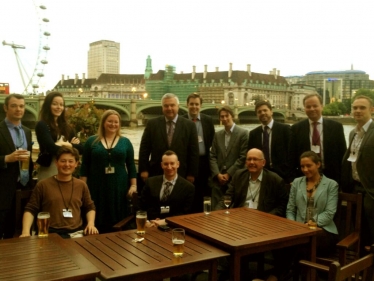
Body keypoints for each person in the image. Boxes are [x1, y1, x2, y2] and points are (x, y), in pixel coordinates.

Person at [20, 146, 98, 238]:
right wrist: (25, 232)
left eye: (70, 161)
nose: (67, 164)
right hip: (48, 233)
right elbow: (30, 209)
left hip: (75, 234)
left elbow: (89, 207)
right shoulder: (43, 185)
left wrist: (91, 224)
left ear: (76, 164)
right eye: (63, 161)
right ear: (56, 163)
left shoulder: (81, 185)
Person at [80, 110, 137, 233]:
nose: (113, 124)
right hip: (97, 185)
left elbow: (131, 166)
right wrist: (82, 187)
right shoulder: (91, 141)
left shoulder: (125, 142)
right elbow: (85, 166)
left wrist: (133, 185)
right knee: (98, 212)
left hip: (119, 186)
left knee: (118, 215)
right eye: (110, 121)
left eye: (116, 122)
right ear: (103, 123)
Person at [138, 93, 199, 183]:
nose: (169, 108)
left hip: (182, 173)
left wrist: (191, 174)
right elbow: (144, 149)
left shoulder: (189, 125)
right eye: (166, 106)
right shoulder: (152, 124)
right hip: (156, 172)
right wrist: (143, 170)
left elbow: (194, 152)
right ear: (162, 108)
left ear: (178, 107)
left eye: (172, 105)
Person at [289, 93, 346, 183]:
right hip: (305, 176)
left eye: (315, 106)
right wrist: (292, 178)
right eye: (308, 106)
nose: (312, 109)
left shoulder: (336, 127)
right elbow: (291, 156)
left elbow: (342, 154)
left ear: (321, 106)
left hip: (332, 177)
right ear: (304, 109)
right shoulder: (296, 128)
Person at [341, 95, 374, 249]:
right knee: (359, 231)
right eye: (355, 108)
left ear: (372, 110)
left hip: (370, 191)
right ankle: (360, 268)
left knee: (370, 234)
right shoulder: (353, 133)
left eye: (362, 108)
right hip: (355, 189)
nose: (358, 111)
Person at [216, 148, 288, 216]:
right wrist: (216, 213)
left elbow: (282, 206)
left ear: (263, 162)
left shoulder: (275, 180)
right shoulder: (239, 176)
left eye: (255, 159)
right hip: (240, 217)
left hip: (263, 219)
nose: (251, 162)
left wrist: (267, 217)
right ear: (246, 162)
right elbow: (227, 197)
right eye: (249, 159)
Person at [0, 94, 33, 239]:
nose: (18, 109)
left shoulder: (26, 131)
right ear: (5, 108)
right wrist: (7, 158)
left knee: (17, 233)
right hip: (2, 191)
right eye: (13, 106)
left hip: (23, 188)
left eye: (21, 106)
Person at [35, 91, 83, 181]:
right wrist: (69, 146)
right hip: (49, 168)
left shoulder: (67, 127)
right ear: (48, 106)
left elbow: (81, 148)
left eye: (61, 105)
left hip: (66, 169)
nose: (58, 107)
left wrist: (68, 145)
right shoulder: (42, 125)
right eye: (55, 104)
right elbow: (51, 148)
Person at [140, 150, 195, 227]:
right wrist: (146, 222)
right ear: (162, 165)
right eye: (166, 164)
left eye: (172, 163)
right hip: (150, 226)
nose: (169, 167)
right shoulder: (150, 182)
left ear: (178, 164)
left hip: (174, 227)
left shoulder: (188, 187)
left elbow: (185, 213)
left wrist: (165, 221)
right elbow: (142, 206)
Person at [210, 105, 248, 209]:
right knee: (215, 209)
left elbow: (242, 157)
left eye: (227, 116)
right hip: (218, 180)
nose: (224, 119)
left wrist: (229, 174)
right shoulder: (217, 135)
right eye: (222, 117)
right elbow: (212, 156)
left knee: (232, 209)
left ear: (232, 116)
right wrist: (217, 174)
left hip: (234, 178)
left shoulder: (243, 134)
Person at [183, 93, 215, 212]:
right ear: (187, 105)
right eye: (191, 104)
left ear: (201, 105)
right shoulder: (181, 120)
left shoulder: (208, 120)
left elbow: (211, 141)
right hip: (187, 163)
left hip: (203, 163)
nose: (194, 107)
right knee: (188, 194)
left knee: (204, 193)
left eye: (197, 104)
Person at [248, 100, 291, 182]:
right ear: (257, 115)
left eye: (265, 110)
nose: (263, 113)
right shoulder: (253, 133)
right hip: (262, 175)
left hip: (283, 174)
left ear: (271, 111)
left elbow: (291, 153)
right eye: (259, 112)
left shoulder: (285, 129)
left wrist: (289, 174)